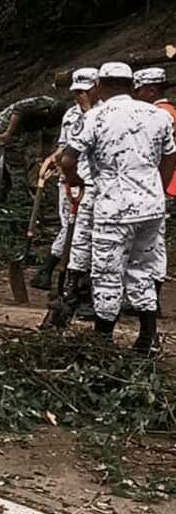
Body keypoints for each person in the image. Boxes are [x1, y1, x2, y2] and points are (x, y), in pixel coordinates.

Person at [61, 62, 176, 356]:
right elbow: (169, 157)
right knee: (142, 269)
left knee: (107, 273)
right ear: (130, 85)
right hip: (151, 209)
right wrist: (157, 189)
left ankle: (102, 342)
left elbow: (68, 161)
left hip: (114, 209)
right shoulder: (158, 115)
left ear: (100, 85)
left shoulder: (95, 117)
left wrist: (76, 181)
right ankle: (147, 338)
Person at [31, 68, 98, 290]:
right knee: (68, 224)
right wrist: (52, 159)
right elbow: (64, 145)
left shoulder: (104, 113)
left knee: (83, 228)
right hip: (68, 179)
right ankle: (55, 272)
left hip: (94, 180)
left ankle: (58, 272)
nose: (80, 96)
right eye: (77, 92)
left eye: (84, 92)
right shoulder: (70, 114)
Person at [132, 66, 174, 312]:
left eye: (138, 91)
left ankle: (150, 300)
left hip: (161, 184)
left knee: (152, 243)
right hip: (162, 184)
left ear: (149, 90)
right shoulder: (167, 112)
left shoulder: (160, 115)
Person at [0, 94, 64, 203]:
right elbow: (18, 110)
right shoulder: (42, 105)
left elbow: (47, 140)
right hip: (4, 128)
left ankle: (0, 198)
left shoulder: (56, 119)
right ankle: (21, 198)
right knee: (17, 166)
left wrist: (45, 161)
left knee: (6, 170)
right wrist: (9, 133)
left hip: (12, 131)